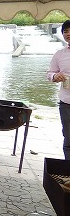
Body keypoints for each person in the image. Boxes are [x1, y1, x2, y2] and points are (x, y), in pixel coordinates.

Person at [47, 20, 70, 160]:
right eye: (65, 31)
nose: (68, 34)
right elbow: (49, 73)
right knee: (68, 138)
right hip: (66, 103)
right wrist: (55, 76)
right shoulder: (59, 54)